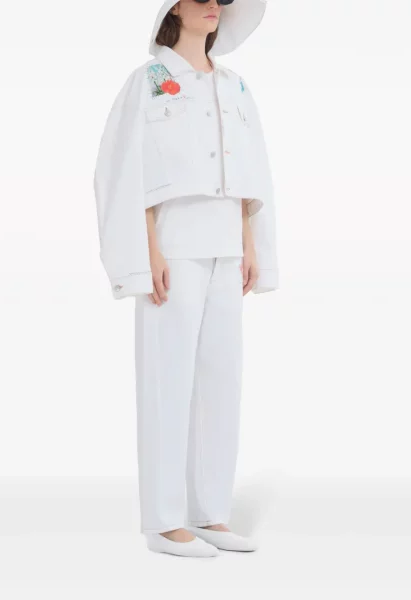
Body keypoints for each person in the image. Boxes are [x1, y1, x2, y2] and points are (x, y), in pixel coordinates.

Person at [93, 0, 279, 557]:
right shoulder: (148, 82)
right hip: (173, 249)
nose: (214, 5)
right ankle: (164, 521)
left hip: (227, 248)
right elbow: (124, 167)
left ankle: (210, 513)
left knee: (223, 381)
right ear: (174, 7)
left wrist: (250, 242)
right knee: (166, 381)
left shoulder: (235, 86)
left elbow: (250, 169)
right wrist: (146, 248)